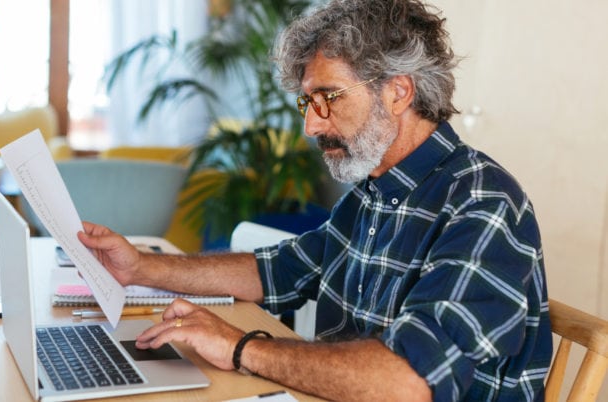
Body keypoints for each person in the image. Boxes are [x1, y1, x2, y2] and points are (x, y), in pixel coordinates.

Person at [78, 0, 553, 400]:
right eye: (309, 101)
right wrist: (141, 268)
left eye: (329, 96)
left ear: (398, 92)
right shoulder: (373, 192)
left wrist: (241, 348)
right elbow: (277, 271)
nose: (312, 125)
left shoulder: (484, 202)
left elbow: (408, 380)